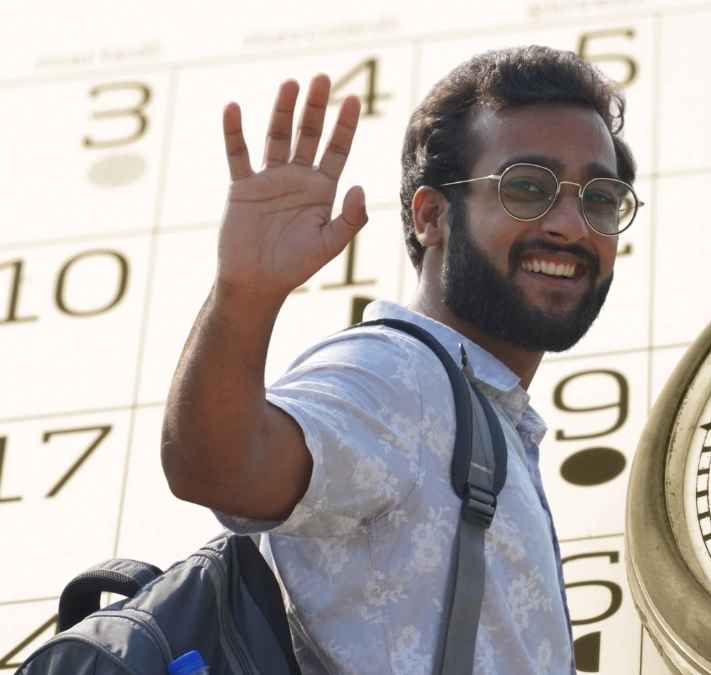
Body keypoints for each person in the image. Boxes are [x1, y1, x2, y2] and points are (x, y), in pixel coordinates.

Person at [160, 45, 639, 674]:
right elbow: (217, 467)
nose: (572, 226)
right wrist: (244, 292)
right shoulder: (401, 378)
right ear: (432, 216)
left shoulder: (488, 417)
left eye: (600, 200)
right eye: (527, 188)